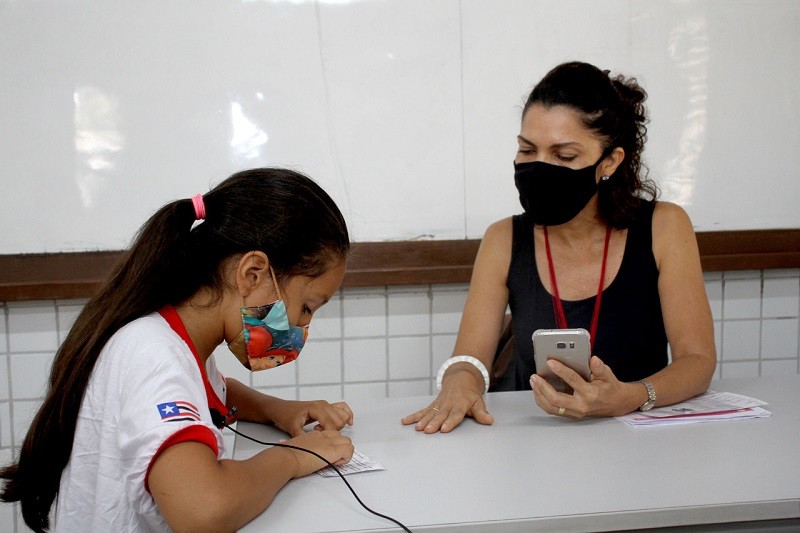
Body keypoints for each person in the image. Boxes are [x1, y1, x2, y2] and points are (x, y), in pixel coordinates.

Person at [1, 168, 356, 532]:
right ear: (252, 274)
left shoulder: (172, 336)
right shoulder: (153, 356)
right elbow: (203, 511)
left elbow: (208, 391)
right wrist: (297, 457)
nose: (302, 329)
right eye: (307, 308)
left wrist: (276, 410)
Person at [402, 61, 716, 433]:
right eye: (527, 150)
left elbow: (697, 360)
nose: (539, 168)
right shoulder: (504, 238)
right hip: (534, 443)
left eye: (564, 156)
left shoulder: (664, 226)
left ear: (610, 162)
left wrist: (631, 397)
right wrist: (461, 379)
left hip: (638, 443)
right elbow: (470, 357)